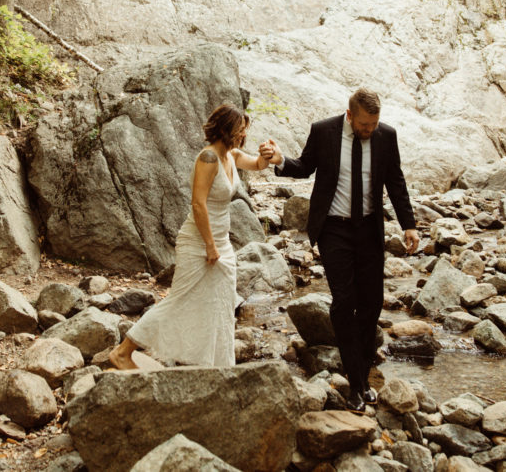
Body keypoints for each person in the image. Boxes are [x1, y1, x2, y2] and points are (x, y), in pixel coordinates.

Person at [260, 88, 419, 412]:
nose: (369, 130)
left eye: (373, 124)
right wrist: (280, 161)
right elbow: (305, 166)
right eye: (363, 124)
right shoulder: (324, 131)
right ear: (350, 115)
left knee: (372, 303)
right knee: (345, 303)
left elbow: (396, 181)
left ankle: (359, 374)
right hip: (333, 228)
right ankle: (357, 385)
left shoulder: (386, 136)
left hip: (369, 228)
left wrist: (409, 224)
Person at [108, 104, 269, 369]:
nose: (243, 136)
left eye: (244, 131)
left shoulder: (232, 155)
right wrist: (210, 246)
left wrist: (268, 155)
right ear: (226, 130)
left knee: (220, 302)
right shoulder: (208, 158)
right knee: (180, 299)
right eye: (239, 131)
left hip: (222, 242)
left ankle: (214, 365)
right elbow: (198, 204)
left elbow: (258, 164)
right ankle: (123, 352)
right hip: (199, 242)